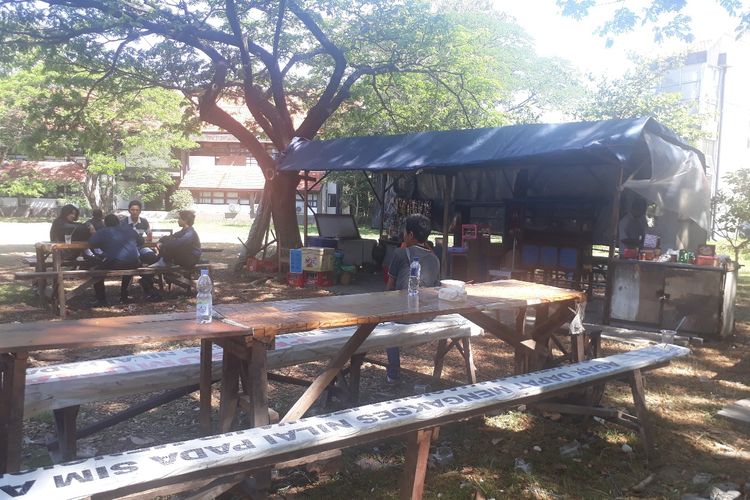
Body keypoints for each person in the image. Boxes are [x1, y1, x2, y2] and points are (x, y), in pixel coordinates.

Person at [384, 214, 441, 383]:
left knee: (387, 323)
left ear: (410, 235)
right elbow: (436, 287)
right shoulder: (435, 259)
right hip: (428, 315)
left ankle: (393, 373)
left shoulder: (400, 253)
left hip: (405, 317)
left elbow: (390, 287)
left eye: (404, 232)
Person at [89, 214, 160, 306]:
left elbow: (91, 242)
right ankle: (124, 295)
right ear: (119, 222)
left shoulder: (103, 232)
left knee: (96, 272)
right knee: (128, 267)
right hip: (135, 262)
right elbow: (141, 241)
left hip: (116, 262)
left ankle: (101, 299)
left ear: (105, 223)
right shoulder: (129, 230)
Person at [121, 199, 158, 264]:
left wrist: (145, 241)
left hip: (141, 247)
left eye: (137, 210)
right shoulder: (123, 222)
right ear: (129, 210)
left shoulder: (144, 221)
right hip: (127, 249)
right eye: (132, 210)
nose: (134, 212)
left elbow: (149, 235)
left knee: (152, 256)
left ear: (140, 211)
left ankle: (147, 273)